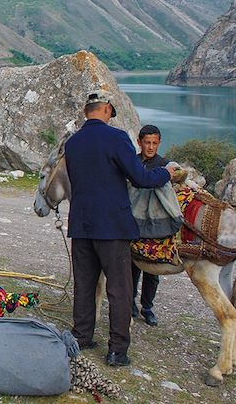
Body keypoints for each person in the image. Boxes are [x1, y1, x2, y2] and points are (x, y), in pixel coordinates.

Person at [64, 90, 174, 367]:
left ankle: (82, 336)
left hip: (81, 224)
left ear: (87, 111)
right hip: (112, 226)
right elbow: (140, 178)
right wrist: (166, 173)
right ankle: (117, 351)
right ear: (106, 110)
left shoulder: (73, 143)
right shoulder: (117, 138)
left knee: (85, 284)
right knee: (120, 290)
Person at [131, 124, 169, 327]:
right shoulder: (132, 163)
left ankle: (148, 307)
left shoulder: (165, 164)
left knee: (153, 268)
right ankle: (130, 302)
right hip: (134, 222)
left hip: (156, 224)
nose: (151, 147)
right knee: (132, 266)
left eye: (154, 143)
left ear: (159, 143)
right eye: (147, 142)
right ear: (140, 142)